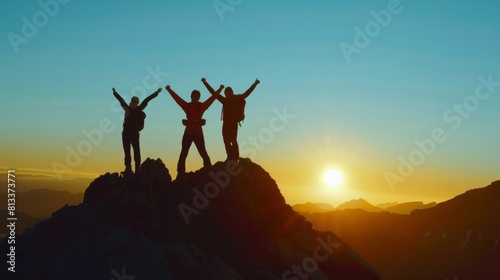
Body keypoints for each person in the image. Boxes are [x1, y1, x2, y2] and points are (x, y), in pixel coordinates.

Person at [165, 83, 224, 177]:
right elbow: (177, 99)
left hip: (197, 133)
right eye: (194, 96)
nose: (195, 97)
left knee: (203, 152)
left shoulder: (201, 106)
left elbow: (212, 98)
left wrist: (220, 89)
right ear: (191, 96)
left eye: (197, 96)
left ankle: (208, 170)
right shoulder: (187, 106)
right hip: (188, 132)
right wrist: (169, 90)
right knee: (184, 153)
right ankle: (180, 173)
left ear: (199, 97)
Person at [202, 78, 260, 162]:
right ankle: (232, 157)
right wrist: (205, 83)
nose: (227, 94)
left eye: (227, 92)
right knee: (229, 140)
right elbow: (214, 93)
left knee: (231, 140)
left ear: (230, 92)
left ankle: (233, 157)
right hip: (230, 123)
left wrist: (254, 84)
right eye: (226, 93)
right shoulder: (230, 99)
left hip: (230, 124)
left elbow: (214, 93)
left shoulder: (229, 100)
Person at [112, 87, 161, 173]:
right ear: (137, 102)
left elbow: (121, 100)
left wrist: (115, 93)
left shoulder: (128, 108)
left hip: (127, 133)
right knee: (136, 151)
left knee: (128, 151)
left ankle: (129, 168)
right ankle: (136, 168)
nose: (133, 103)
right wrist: (156, 93)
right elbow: (146, 100)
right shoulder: (139, 109)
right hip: (134, 133)